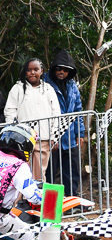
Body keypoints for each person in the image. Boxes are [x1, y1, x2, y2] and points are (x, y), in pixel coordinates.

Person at [3, 58, 60, 182]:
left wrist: (54, 136)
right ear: (25, 72)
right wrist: (13, 133)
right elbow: (10, 111)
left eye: (36, 69)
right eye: (29, 70)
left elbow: (56, 113)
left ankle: (37, 200)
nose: (32, 73)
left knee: (40, 173)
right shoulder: (17, 88)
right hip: (22, 139)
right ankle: (20, 201)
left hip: (43, 138)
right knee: (22, 173)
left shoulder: (49, 89)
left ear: (42, 71)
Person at [43, 50, 86, 196]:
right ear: (53, 68)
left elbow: (78, 110)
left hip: (69, 136)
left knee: (72, 171)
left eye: (66, 70)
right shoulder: (43, 83)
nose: (62, 72)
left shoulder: (72, 85)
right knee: (50, 173)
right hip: (50, 136)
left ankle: (71, 202)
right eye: (59, 68)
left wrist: (80, 132)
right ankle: (51, 209)